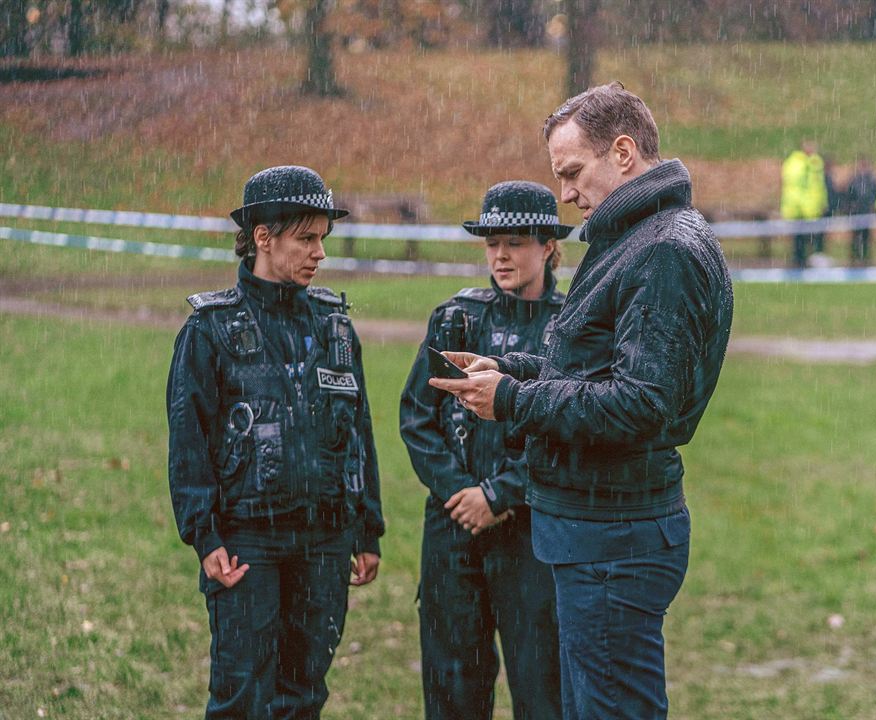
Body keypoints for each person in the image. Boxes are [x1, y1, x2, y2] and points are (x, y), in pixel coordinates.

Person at [428, 82, 733, 720]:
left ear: (623, 153)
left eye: (572, 172)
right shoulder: (634, 238)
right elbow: (590, 367)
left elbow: (641, 403)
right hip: (597, 527)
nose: (566, 194)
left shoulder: (663, 250)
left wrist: (513, 399)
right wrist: (509, 367)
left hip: (613, 536)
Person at [166, 165, 385, 718]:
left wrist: (367, 527)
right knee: (242, 695)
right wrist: (204, 532)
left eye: (322, 240)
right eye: (306, 238)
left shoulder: (336, 326)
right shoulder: (209, 329)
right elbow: (188, 437)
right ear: (262, 237)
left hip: (324, 540)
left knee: (304, 695)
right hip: (246, 543)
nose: (319, 253)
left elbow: (358, 430)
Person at [400, 181, 567, 720]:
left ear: (548, 246)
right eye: (491, 241)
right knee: (453, 686)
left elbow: (570, 432)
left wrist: (500, 493)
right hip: (453, 529)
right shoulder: (455, 319)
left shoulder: (571, 330)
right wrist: (459, 491)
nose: (500, 254)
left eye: (516, 241)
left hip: (534, 534)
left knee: (542, 687)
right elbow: (418, 419)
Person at [781, 139, 829, 268]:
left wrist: (821, 202)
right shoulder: (796, 163)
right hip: (799, 207)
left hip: (812, 207)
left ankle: (810, 260)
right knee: (799, 238)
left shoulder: (814, 162)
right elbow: (797, 185)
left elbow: (818, 186)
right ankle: (799, 261)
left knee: (813, 237)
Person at [842, 156, 876, 265]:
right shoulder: (854, 181)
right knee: (855, 238)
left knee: (867, 238)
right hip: (856, 213)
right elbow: (848, 196)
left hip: (867, 213)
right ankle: (855, 258)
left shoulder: (871, 181)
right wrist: (850, 209)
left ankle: (865, 258)